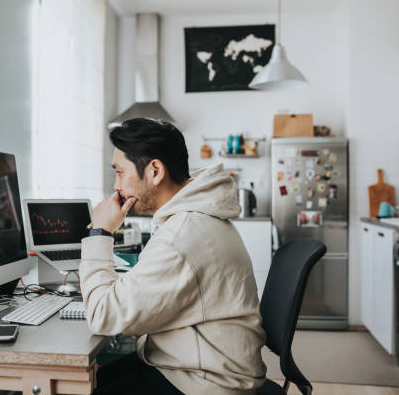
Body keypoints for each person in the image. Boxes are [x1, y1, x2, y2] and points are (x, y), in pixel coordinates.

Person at [79, 118, 266, 394]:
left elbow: (103, 315)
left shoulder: (181, 237)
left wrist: (100, 232)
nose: (116, 186)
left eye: (120, 173)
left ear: (155, 171)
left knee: (80, 386)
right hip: (193, 367)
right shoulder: (191, 220)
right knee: (90, 380)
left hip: (202, 384)